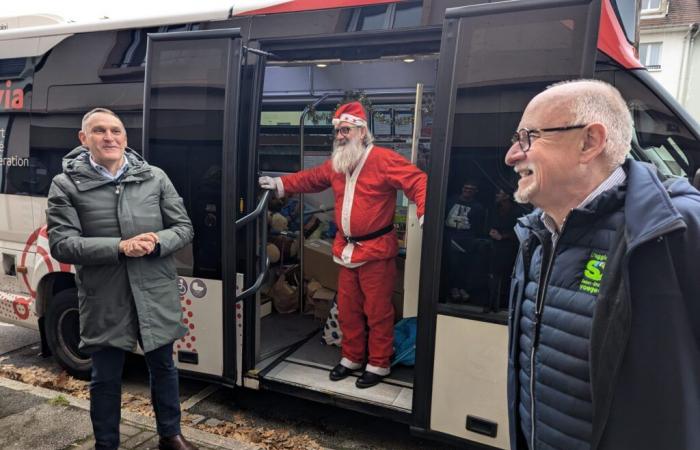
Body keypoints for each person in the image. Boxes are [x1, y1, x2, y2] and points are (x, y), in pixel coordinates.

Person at [505, 80, 700, 450]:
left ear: (590, 143)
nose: (512, 155)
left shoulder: (678, 229)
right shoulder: (536, 232)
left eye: (529, 137)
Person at [46, 108, 197, 450]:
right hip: (105, 294)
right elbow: (62, 244)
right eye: (99, 131)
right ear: (84, 139)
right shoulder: (65, 184)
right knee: (106, 377)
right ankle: (107, 444)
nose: (109, 137)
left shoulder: (155, 177)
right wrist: (120, 247)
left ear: (126, 139)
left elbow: (184, 228)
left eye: (116, 130)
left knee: (164, 368)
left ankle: (170, 435)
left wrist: (158, 241)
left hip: (154, 289)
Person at [259, 101, 427, 388]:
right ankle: (352, 357)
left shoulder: (384, 159)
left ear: (362, 132)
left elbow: (418, 181)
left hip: (376, 252)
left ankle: (379, 362)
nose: (340, 136)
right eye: (337, 131)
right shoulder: (338, 164)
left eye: (345, 130)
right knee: (348, 308)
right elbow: (311, 179)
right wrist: (279, 183)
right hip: (347, 250)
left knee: (378, 311)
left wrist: (424, 213)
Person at [443, 180, 486, 302]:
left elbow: (478, 225)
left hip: (467, 237)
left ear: (475, 192)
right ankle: (453, 288)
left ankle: (462, 288)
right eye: (466, 188)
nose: (467, 191)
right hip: (450, 235)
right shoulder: (451, 200)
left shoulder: (478, 207)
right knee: (452, 264)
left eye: (471, 189)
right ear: (462, 189)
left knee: (465, 265)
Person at [487, 188, 521, 311]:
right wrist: (491, 232)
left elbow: (519, 231)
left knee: (508, 276)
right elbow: (488, 224)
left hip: (510, 248)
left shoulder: (517, 212)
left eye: (499, 193)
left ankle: (505, 305)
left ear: (507, 196)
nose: (496, 195)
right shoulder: (494, 210)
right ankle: (491, 304)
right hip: (494, 247)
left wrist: (503, 236)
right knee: (493, 275)